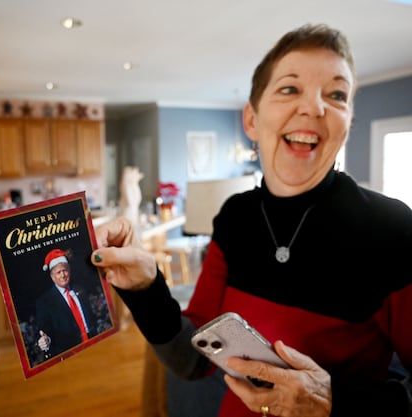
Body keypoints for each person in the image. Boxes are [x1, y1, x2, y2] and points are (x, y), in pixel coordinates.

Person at [90, 23, 412, 417]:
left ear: (347, 123)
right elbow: (193, 361)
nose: (314, 107)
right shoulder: (235, 216)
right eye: (290, 89)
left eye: (337, 94)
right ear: (252, 121)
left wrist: (335, 402)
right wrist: (145, 286)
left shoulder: (393, 231)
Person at [36, 248, 100, 358]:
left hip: (93, 344)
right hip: (70, 354)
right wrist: (46, 340)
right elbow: (46, 331)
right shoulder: (45, 302)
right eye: (58, 272)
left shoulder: (80, 290)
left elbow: (90, 318)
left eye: (65, 270)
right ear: (52, 277)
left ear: (69, 271)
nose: (63, 275)